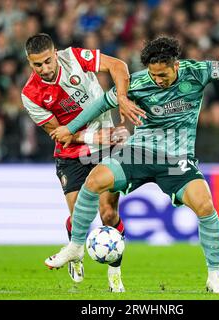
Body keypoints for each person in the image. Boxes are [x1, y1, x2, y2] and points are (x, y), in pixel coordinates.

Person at [47, 36, 219, 293]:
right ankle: (75, 246)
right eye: (153, 75)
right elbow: (101, 103)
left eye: (163, 75)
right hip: (141, 152)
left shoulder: (197, 72)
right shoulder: (137, 82)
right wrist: (69, 129)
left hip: (177, 159)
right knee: (95, 180)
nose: (158, 81)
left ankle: (214, 276)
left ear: (176, 65)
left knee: (205, 205)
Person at [21, 33, 144, 292]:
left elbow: (118, 65)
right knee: (79, 217)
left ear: (55, 54)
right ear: (29, 63)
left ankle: (115, 272)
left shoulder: (74, 58)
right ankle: (75, 254)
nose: (44, 68)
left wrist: (121, 98)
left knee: (108, 213)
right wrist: (94, 136)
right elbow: (60, 134)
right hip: (71, 153)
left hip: (107, 148)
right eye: (37, 65)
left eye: (47, 61)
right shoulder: (30, 95)